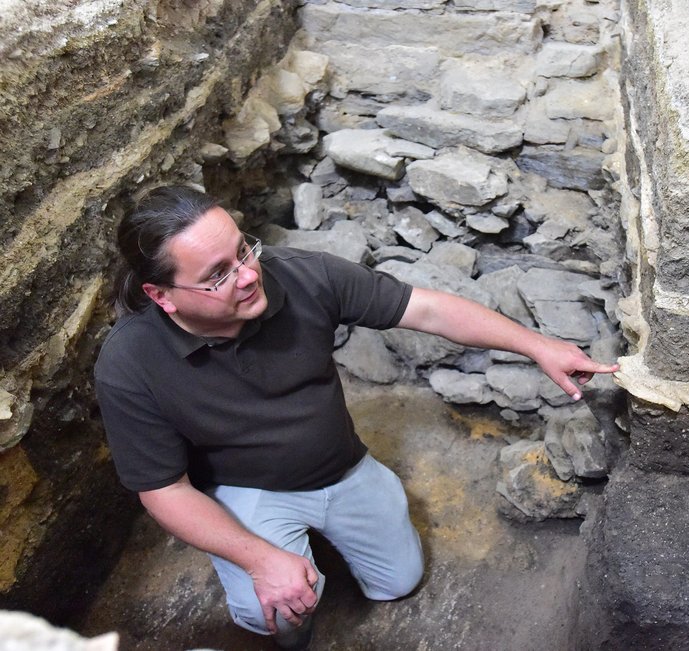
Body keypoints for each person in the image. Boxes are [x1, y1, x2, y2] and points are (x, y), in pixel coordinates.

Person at [94, 185, 619, 649]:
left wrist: (538, 345)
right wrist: (258, 559)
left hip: (340, 465)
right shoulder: (130, 364)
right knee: (274, 609)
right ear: (161, 296)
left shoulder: (301, 276)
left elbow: (429, 310)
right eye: (218, 275)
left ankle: (339, 520)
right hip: (246, 489)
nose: (250, 274)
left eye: (243, 250)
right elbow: (163, 490)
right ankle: (282, 604)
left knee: (399, 581)